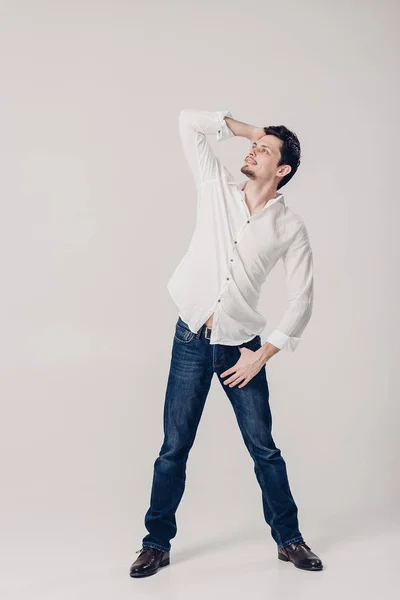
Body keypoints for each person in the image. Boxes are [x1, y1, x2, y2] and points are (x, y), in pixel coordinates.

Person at [130, 109, 323, 578]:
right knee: (173, 448)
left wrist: (263, 355)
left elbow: (303, 299)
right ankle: (156, 544)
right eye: (254, 146)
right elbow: (187, 122)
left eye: (266, 150)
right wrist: (250, 129)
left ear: (283, 171)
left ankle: (289, 539)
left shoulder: (289, 227)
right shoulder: (214, 186)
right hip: (190, 340)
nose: (253, 150)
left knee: (264, 449)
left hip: (242, 348)